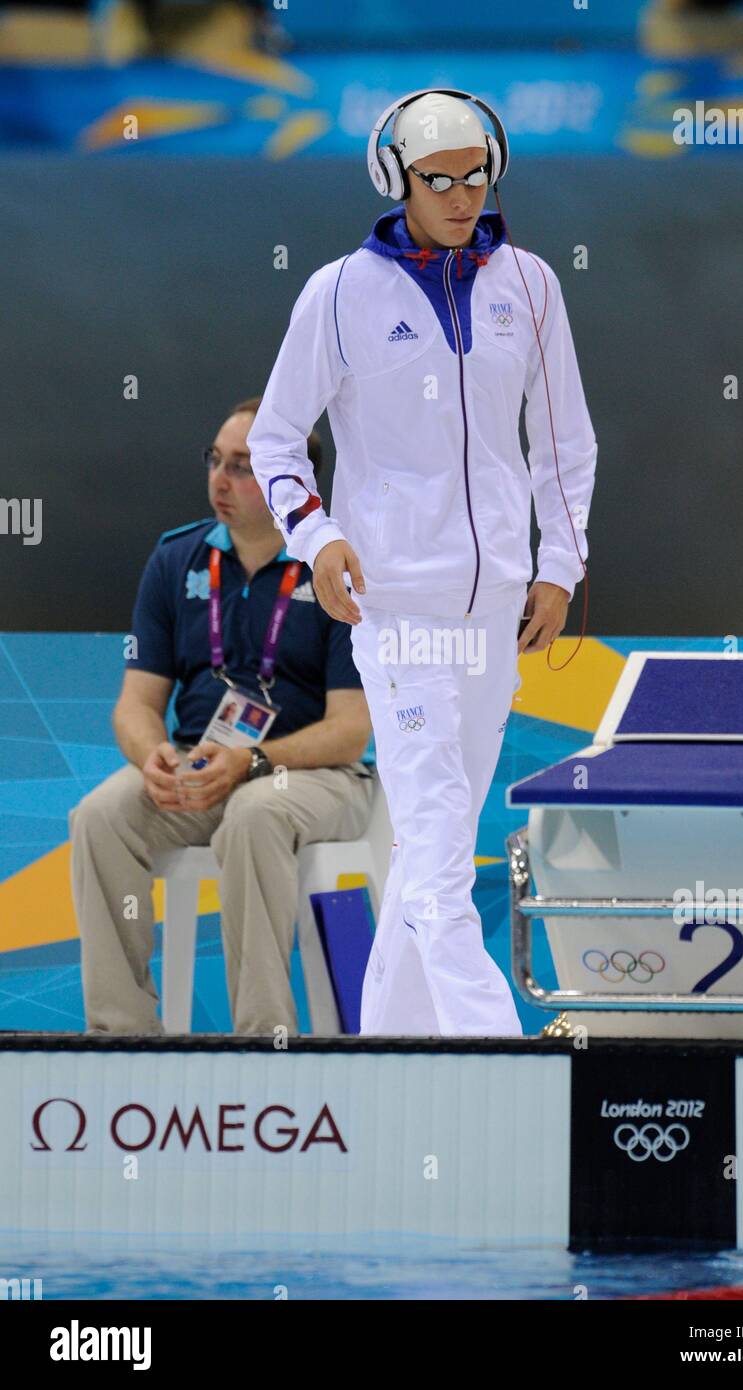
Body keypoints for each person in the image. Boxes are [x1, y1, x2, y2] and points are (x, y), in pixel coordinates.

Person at [248, 89, 598, 1037]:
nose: (459, 195)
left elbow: (562, 440)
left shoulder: (529, 284)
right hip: (394, 613)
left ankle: (392, 1055)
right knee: (442, 842)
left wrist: (557, 567)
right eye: (437, 179)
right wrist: (317, 539)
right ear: (394, 179)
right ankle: (496, 1052)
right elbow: (278, 441)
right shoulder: (338, 293)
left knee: (428, 845)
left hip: (495, 619)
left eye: (474, 175)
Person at [69, 396, 374, 1036]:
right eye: (216, 460)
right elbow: (136, 704)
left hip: (316, 778)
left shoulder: (336, 568)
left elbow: (351, 730)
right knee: (100, 815)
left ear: (290, 479)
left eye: (242, 466)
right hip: (204, 765)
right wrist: (152, 753)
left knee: (255, 812)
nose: (219, 478)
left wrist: (255, 761)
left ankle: (261, 1042)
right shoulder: (174, 560)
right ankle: (120, 1035)